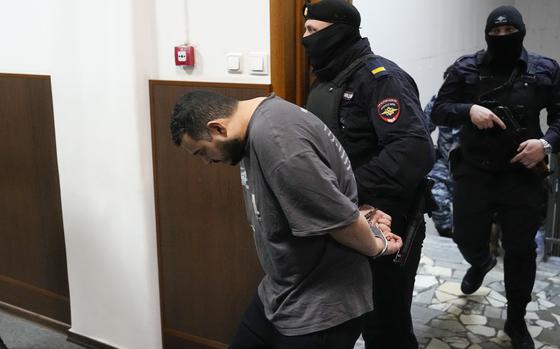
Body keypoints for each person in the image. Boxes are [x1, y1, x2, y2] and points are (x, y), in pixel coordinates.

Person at [169, 90, 403, 349]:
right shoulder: (264, 125)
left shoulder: (277, 139)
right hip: (281, 291)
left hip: (319, 306)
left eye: (202, 152)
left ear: (218, 128)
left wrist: (377, 246)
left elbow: (340, 221)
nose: (206, 162)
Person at [301, 1, 435, 348]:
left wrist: (347, 189)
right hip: (343, 216)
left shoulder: (380, 79)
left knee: (386, 324)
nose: (305, 39)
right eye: (304, 30)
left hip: (386, 219)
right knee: (346, 314)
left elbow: (413, 150)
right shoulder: (327, 80)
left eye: (312, 31)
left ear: (339, 31)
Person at [432, 6, 560, 349]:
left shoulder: (546, 70)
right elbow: (439, 109)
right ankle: (481, 261)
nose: (502, 38)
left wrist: (545, 145)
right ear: (487, 34)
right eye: (496, 33)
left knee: (521, 251)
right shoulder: (466, 68)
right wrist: (468, 110)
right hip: (474, 171)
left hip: (521, 176)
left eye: (509, 33)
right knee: (464, 236)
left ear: (521, 32)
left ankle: (517, 319)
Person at [425, 95, 460, 238]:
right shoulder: (441, 100)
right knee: (435, 196)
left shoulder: (481, 99)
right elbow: (422, 128)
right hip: (445, 164)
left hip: (476, 167)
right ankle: (448, 235)